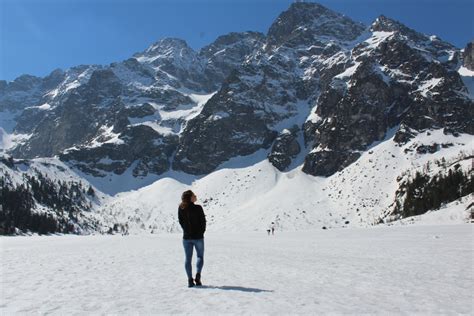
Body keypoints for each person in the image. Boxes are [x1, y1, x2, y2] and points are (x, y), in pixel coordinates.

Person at [178, 190, 206, 288]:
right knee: (200, 257)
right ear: (190, 198)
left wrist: (186, 230)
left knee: (188, 259)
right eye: (194, 195)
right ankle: (198, 276)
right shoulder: (198, 208)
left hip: (186, 238)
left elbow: (181, 222)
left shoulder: (181, 208)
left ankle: (190, 280)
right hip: (198, 237)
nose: (195, 196)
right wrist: (201, 232)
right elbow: (203, 221)